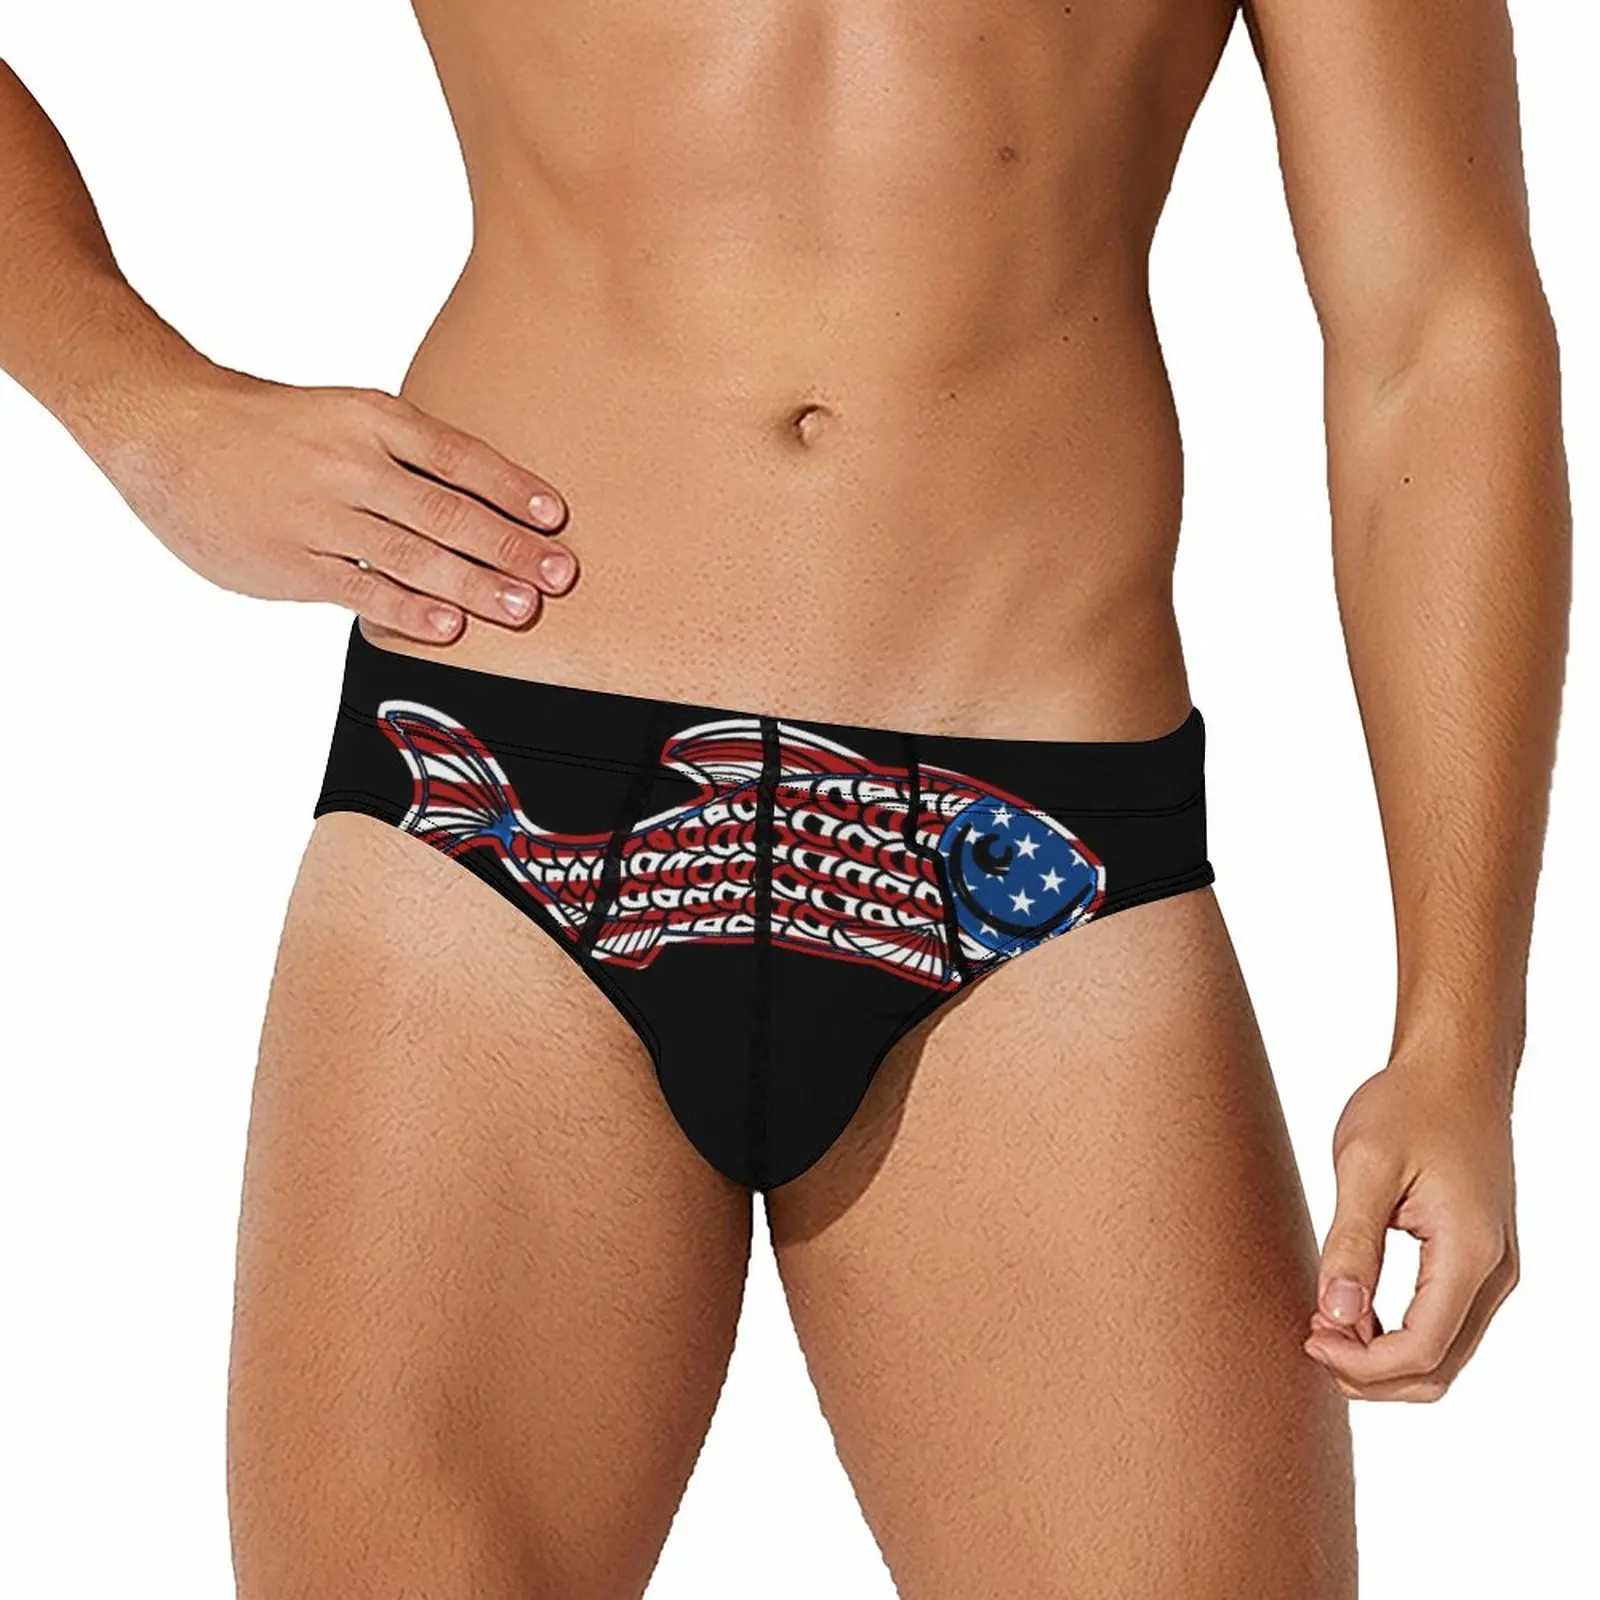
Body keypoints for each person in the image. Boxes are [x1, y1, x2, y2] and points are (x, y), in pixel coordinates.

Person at [0, 0, 1569, 1593]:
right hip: (497, 813)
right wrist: (144, 408)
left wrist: (1459, 1033)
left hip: (1035, 849)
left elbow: (1433, 334)